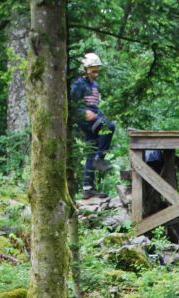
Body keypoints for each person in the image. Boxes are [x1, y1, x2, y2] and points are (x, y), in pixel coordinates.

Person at [70, 52, 116, 200]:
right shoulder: (78, 84)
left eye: (97, 70)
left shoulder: (94, 84)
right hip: (85, 120)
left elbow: (95, 105)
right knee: (109, 127)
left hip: (95, 118)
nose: (96, 73)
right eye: (93, 70)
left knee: (91, 150)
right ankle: (99, 158)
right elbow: (72, 104)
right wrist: (84, 112)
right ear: (85, 68)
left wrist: (99, 113)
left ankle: (87, 188)